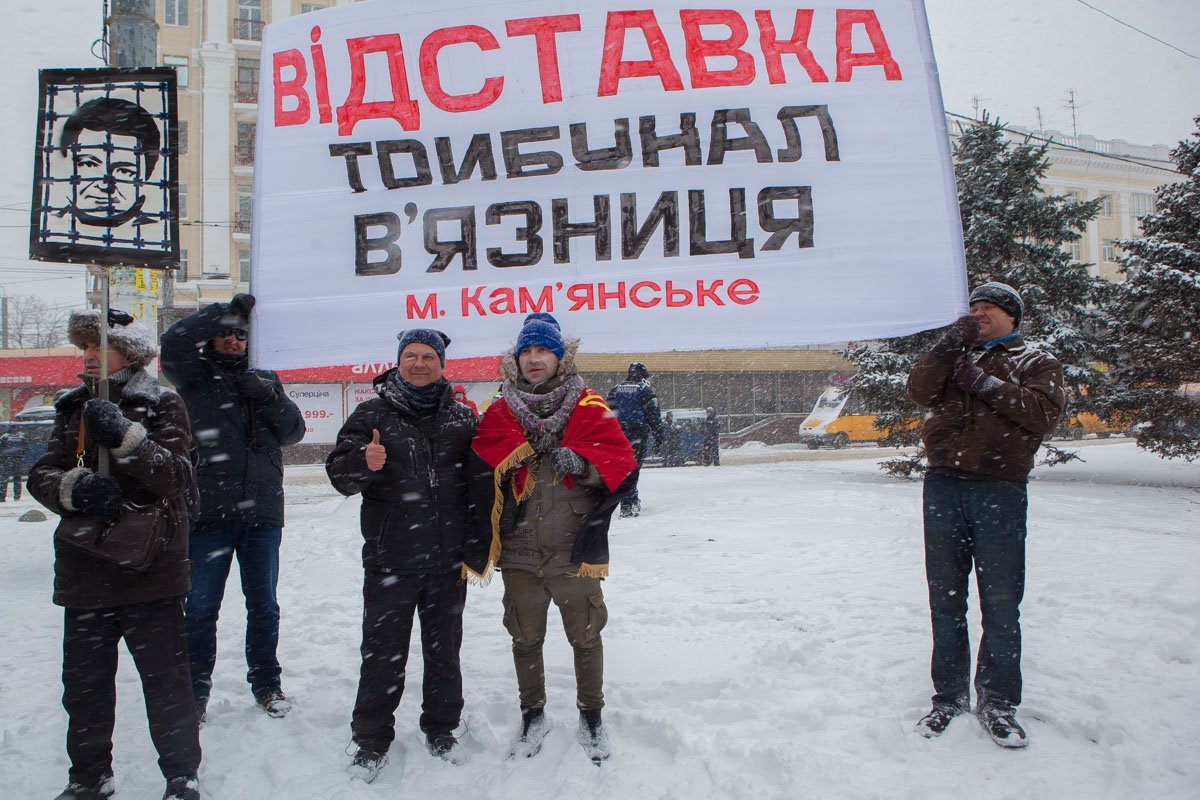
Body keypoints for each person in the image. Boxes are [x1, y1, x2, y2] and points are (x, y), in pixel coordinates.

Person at [28, 309, 203, 800]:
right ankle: (88, 777)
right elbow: (41, 474)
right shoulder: (70, 408)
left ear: (130, 354)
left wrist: (126, 437)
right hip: (85, 569)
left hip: (150, 568)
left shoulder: (163, 403)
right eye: (81, 348)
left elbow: (175, 476)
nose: (85, 357)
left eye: (96, 347)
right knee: (84, 687)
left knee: (166, 682)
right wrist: (73, 487)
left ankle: (181, 774)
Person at [469, 313, 637, 762]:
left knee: (585, 636)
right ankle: (532, 714)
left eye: (543, 350)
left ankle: (592, 716)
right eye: (526, 351)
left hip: (573, 548)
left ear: (560, 357)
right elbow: (477, 473)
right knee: (524, 638)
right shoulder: (499, 411)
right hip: (520, 551)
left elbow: (621, 468)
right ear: (516, 360)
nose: (534, 358)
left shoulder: (589, 406)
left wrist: (584, 466)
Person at [326, 329, 489, 782]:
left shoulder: (461, 418)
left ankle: (441, 729)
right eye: (411, 356)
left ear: (442, 364)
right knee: (382, 654)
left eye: (428, 357)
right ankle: (371, 739)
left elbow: (479, 486)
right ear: (398, 362)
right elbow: (339, 474)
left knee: (445, 653)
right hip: (390, 558)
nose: (419, 363)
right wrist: (363, 460)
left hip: (447, 560)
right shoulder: (371, 413)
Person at [906, 282, 1065, 749]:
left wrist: (985, 383)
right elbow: (919, 391)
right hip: (943, 485)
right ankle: (948, 697)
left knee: (999, 602)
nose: (978, 313)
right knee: (946, 600)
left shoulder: (1036, 362)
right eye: (973, 307)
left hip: (999, 485)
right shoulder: (955, 356)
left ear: (1012, 317)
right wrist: (946, 347)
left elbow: (1042, 414)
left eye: (989, 308)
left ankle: (997, 702)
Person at [160, 293, 305, 720]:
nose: (233, 340)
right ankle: (194, 690)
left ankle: (267, 684)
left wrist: (268, 396)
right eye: (224, 333)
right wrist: (220, 312)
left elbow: (293, 431)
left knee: (264, 605)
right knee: (201, 606)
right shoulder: (194, 377)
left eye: (240, 334)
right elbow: (173, 344)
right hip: (207, 516)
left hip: (261, 516)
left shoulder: (265, 378)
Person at [56, 97, 162, 229]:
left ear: (146, 176)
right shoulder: (52, 225)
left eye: (124, 171)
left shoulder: (153, 231)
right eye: (89, 164)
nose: (105, 185)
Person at [605, 362, 662, 517]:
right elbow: (653, 415)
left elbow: (607, 412)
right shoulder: (645, 390)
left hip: (618, 435)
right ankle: (628, 505)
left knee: (624, 469)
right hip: (637, 434)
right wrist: (658, 435)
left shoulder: (615, 389)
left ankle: (631, 500)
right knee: (633, 469)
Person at [0, 424, 27, 501]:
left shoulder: (4, 437)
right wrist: (20, 456)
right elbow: (25, 448)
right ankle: (17, 497)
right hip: (18, 461)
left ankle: (2, 497)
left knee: (4, 480)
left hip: (6, 461)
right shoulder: (21, 437)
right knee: (17, 480)